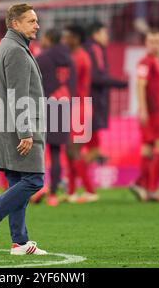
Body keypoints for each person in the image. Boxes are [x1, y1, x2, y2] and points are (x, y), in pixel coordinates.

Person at [0, 3, 48, 255]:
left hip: (6, 124)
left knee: (18, 181)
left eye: (36, 20)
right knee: (34, 180)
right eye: (31, 21)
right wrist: (26, 132)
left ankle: (20, 242)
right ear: (15, 23)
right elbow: (18, 95)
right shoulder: (15, 50)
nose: (37, 25)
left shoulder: (9, 46)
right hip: (18, 128)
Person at [83, 21, 128, 199]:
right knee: (89, 150)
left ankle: (75, 184)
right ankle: (74, 183)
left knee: (89, 149)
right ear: (95, 33)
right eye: (104, 32)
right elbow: (96, 77)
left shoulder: (92, 49)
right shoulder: (93, 49)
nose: (107, 36)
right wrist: (120, 83)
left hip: (88, 105)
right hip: (89, 106)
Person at [130, 29, 159, 202]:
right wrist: (143, 109)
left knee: (148, 149)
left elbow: (158, 88)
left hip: (157, 110)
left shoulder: (158, 61)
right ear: (146, 44)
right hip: (151, 113)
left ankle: (142, 184)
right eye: (151, 41)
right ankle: (152, 188)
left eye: (157, 41)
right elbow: (140, 85)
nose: (154, 44)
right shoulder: (145, 62)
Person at [35, 28, 75, 206]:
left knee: (36, 150)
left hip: (45, 105)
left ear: (49, 38)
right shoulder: (69, 59)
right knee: (57, 152)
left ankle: (36, 189)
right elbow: (72, 83)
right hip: (64, 105)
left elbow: (33, 81)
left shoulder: (43, 58)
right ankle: (53, 195)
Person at [62, 24, 96, 203]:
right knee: (69, 150)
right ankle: (72, 191)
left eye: (68, 36)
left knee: (74, 149)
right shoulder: (75, 55)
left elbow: (71, 84)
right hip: (75, 105)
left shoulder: (79, 57)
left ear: (76, 38)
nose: (65, 40)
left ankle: (90, 191)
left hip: (79, 107)